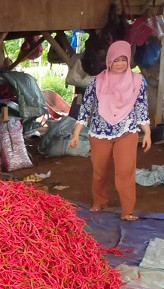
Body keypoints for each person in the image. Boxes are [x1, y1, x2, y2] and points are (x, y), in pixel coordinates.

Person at [69, 40, 151, 221]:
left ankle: (127, 211)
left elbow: (141, 108)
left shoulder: (137, 81)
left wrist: (147, 132)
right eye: (116, 60)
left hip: (127, 131)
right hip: (99, 132)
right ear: (109, 60)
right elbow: (86, 108)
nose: (120, 63)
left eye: (124, 59)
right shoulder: (96, 82)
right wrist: (76, 133)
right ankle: (99, 201)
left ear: (129, 60)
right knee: (100, 171)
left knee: (125, 172)